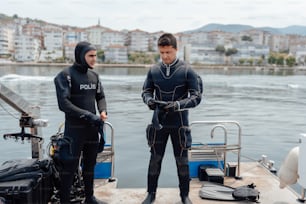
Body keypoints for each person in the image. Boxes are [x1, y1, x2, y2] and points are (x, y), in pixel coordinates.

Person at [141, 33, 203, 204]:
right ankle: (151, 194)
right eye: (162, 53)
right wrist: (149, 101)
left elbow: (196, 97)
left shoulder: (187, 70)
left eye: (168, 52)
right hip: (158, 122)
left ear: (176, 49)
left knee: (182, 161)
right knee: (155, 159)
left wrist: (177, 105)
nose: (165, 56)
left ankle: (184, 196)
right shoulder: (154, 70)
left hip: (180, 123)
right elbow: (146, 91)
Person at [54, 41, 107, 204]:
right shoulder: (65, 76)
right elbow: (64, 104)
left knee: (90, 166)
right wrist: (88, 115)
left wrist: (103, 111)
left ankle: (90, 198)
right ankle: (64, 201)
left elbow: (101, 96)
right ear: (80, 56)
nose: (94, 59)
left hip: (92, 130)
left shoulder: (94, 76)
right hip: (74, 132)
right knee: (69, 168)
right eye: (90, 56)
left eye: (95, 56)